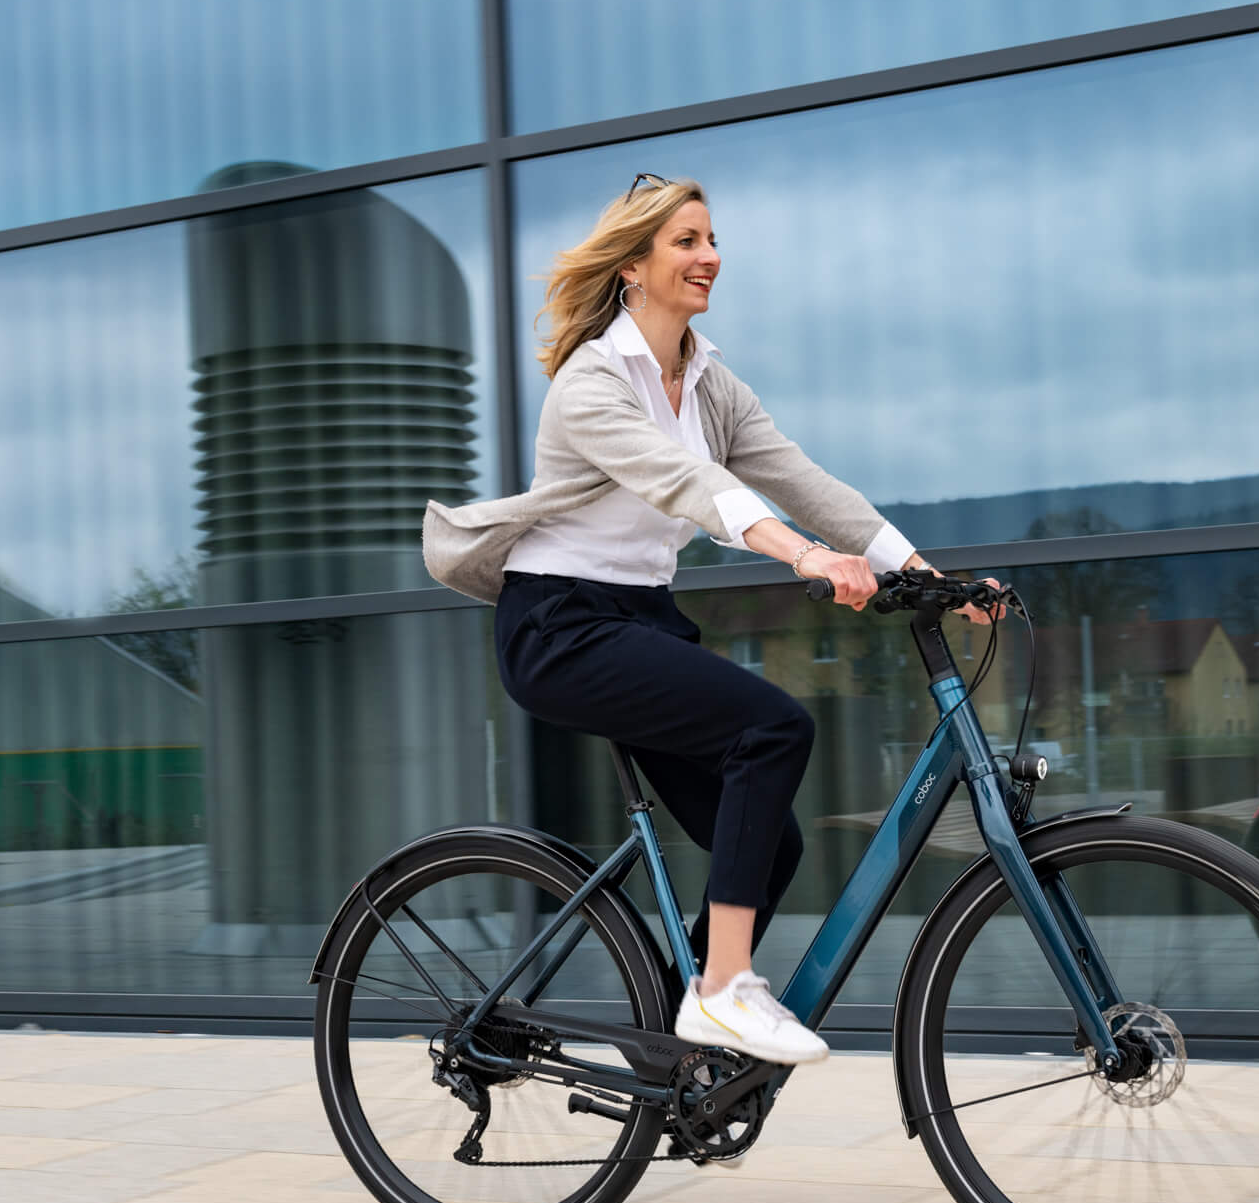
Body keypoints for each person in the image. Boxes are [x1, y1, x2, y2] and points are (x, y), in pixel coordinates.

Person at [424, 175, 992, 1065]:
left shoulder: (710, 382)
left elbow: (801, 479)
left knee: (774, 843)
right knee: (774, 729)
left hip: (641, 622)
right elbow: (685, 481)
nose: (710, 256)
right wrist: (801, 555)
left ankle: (672, 1046)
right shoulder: (592, 382)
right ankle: (724, 990)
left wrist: (926, 574)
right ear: (633, 267)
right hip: (561, 627)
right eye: (686, 240)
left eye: (712, 238)